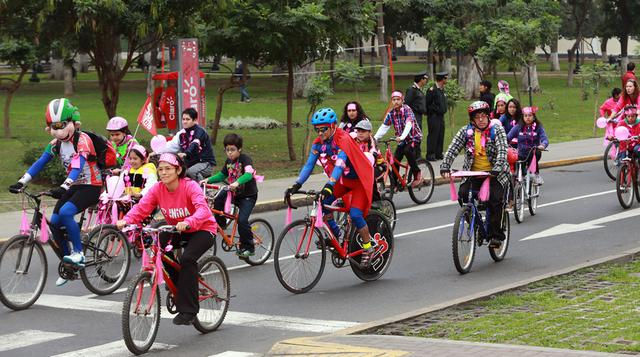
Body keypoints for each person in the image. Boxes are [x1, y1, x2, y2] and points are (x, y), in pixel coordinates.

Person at [9, 98, 103, 286]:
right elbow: (40, 162)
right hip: (73, 186)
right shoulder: (56, 144)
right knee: (55, 222)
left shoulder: (82, 140)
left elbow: (78, 166)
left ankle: (78, 253)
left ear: (73, 123)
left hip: (91, 185)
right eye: (53, 126)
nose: (58, 130)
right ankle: (69, 265)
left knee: (67, 212)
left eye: (61, 125)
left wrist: (64, 186)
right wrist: (22, 181)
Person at [117, 153, 216, 326]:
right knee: (158, 249)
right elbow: (142, 208)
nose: (163, 173)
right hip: (175, 228)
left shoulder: (190, 186)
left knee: (187, 259)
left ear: (178, 170)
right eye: (160, 169)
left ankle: (189, 310)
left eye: (168, 169)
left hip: (202, 229)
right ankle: (180, 286)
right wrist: (127, 220)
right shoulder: (158, 189)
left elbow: (203, 210)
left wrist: (188, 221)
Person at [286, 108, 376, 266]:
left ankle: (369, 247)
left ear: (333, 126)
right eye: (317, 129)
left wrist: (330, 184)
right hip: (344, 181)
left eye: (324, 129)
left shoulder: (343, 138)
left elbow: (340, 163)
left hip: (360, 181)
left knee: (355, 214)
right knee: (323, 203)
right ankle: (336, 234)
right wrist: (297, 184)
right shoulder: (318, 143)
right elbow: (309, 165)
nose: (320, 133)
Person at [440, 101, 510, 248]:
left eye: (484, 116)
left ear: (488, 117)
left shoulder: (496, 130)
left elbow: (503, 151)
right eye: (477, 117)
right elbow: (453, 148)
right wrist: (445, 165)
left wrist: (497, 168)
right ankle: (474, 220)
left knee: (495, 200)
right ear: (472, 119)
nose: (481, 119)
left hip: (494, 174)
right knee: (463, 194)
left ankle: (495, 236)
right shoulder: (466, 131)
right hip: (473, 174)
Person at [204, 133, 259, 258]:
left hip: (248, 196)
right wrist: (208, 180)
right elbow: (222, 175)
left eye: (232, 150)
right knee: (218, 198)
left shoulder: (245, 159)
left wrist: (237, 182)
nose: (229, 153)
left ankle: (249, 247)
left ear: (239, 149)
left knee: (242, 221)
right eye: (227, 150)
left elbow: (249, 173)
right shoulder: (228, 161)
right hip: (233, 193)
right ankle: (221, 225)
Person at [374, 91, 423, 187]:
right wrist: (375, 138)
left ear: (402, 100)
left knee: (408, 151)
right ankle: (395, 183)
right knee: (395, 159)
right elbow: (384, 127)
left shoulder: (407, 110)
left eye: (398, 99)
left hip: (414, 137)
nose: (396, 102)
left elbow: (409, 124)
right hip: (402, 139)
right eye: (394, 100)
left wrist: (402, 137)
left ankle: (417, 173)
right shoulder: (391, 113)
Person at [154, 108, 216, 181]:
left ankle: (202, 190)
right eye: (183, 119)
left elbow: (195, 144)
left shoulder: (200, 131)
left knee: (191, 172)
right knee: (176, 172)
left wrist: (186, 153)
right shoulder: (181, 133)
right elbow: (171, 145)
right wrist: (157, 151)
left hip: (205, 163)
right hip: (190, 163)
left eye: (188, 119)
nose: (185, 122)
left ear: (195, 120)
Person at [507, 106, 549, 185]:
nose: (527, 118)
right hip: (521, 153)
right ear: (523, 117)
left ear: (533, 117)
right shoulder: (518, 127)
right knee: (519, 173)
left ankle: (535, 175)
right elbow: (508, 137)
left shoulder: (538, 127)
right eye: (525, 116)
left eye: (530, 115)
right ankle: (518, 186)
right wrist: (503, 142)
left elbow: (545, 139)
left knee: (534, 153)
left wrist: (542, 145)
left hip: (533, 152)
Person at [351, 119, 383, 202]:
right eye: (358, 131)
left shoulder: (371, 142)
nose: (360, 133)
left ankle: (376, 200)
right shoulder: (353, 139)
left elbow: (373, 154)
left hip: (376, 165)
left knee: (370, 178)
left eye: (363, 131)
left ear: (370, 133)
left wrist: (372, 156)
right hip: (358, 165)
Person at [425, 71, 448, 161]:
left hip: (440, 116)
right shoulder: (432, 90)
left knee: (440, 134)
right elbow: (428, 103)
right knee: (433, 135)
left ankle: (438, 153)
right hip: (434, 116)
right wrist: (435, 110)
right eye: (446, 78)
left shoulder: (441, 89)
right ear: (442, 79)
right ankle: (430, 154)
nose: (447, 80)